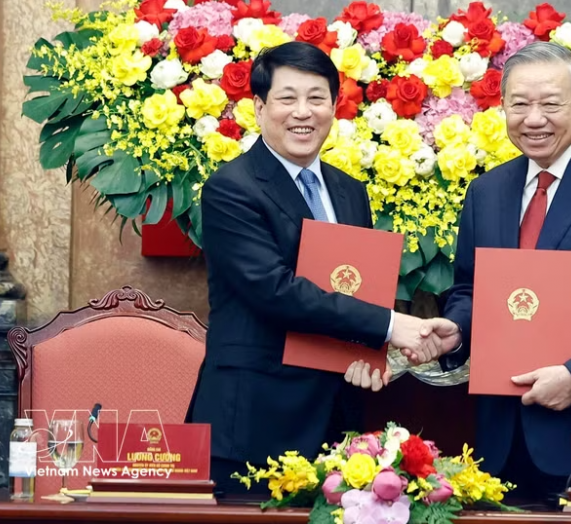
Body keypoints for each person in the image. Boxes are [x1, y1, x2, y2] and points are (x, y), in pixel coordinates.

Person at [350, 42, 571, 507]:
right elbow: (471, 288)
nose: (533, 119)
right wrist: (456, 330)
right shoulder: (486, 192)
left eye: (550, 104)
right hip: (501, 438)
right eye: (519, 104)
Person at [186, 41, 437, 497]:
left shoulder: (350, 191)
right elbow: (275, 291)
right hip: (254, 426)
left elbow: (354, 288)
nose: (303, 112)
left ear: (334, 107)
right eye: (288, 98)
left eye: (316, 98)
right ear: (259, 108)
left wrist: (366, 356)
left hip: (336, 428)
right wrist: (389, 325)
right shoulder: (231, 188)